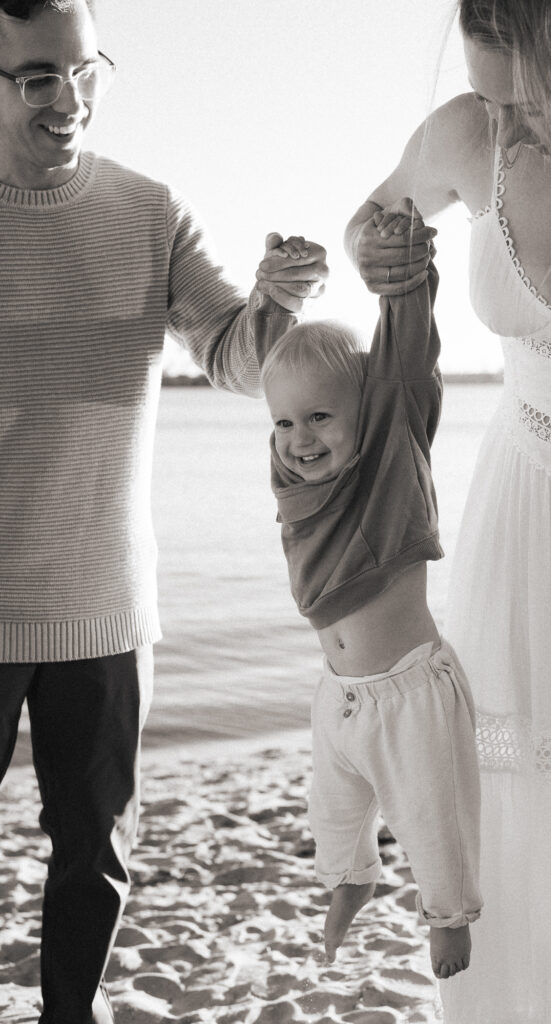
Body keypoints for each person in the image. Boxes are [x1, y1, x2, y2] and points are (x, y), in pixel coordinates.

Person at [345, 0, 551, 1021]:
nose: (484, 85)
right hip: (519, 503)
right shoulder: (467, 133)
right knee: (512, 785)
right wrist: (380, 255)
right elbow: (371, 217)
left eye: (500, 51)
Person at [0, 2, 327, 1022]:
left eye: (85, 69)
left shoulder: (148, 210)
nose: (69, 100)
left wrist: (275, 298)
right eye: (37, 78)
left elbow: (234, 353)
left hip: (103, 599)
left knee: (95, 853)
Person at [255, 210, 482, 981]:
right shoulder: (300, 492)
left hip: (409, 692)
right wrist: (276, 297)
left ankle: (448, 918)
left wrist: (403, 285)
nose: (300, 438)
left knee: (431, 816)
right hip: (339, 697)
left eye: (321, 417)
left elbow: (405, 368)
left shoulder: (389, 462)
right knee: (335, 812)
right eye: (285, 422)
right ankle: (352, 878)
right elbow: (278, 379)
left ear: (372, 417)